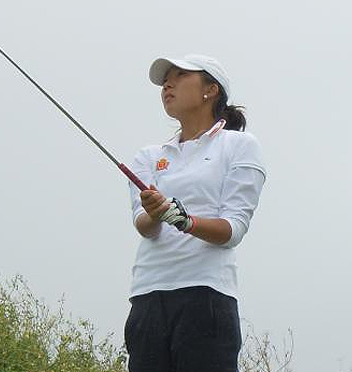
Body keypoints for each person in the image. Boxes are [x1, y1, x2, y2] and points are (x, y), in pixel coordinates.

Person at [124, 54, 267, 372]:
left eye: (179, 76)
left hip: (206, 295)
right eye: (164, 80)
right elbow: (144, 226)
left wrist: (186, 221)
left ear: (210, 89)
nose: (167, 85)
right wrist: (155, 212)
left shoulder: (239, 146)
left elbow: (233, 229)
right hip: (148, 293)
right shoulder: (148, 156)